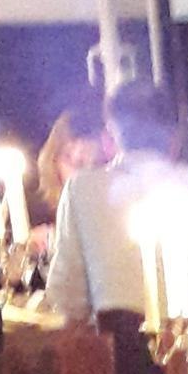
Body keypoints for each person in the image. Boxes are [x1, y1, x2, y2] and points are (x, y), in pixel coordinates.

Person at [45, 81, 188, 322]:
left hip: (116, 344)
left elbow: (65, 298)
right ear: (176, 138)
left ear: (109, 140)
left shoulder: (81, 188)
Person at [31, 100, 111, 262]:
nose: (75, 174)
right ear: (53, 159)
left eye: (86, 164)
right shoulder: (38, 209)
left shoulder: (115, 213)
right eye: (68, 159)